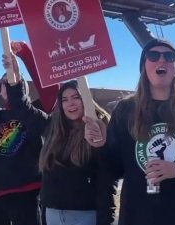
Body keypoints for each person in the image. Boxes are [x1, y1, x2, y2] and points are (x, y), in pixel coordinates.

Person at [99, 39, 175, 225]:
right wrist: (100, 146)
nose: (161, 60)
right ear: (143, 66)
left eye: (169, 56)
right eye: (153, 55)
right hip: (139, 215)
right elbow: (113, 169)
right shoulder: (125, 109)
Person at [0, 52, 48, 225]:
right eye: (6, 82)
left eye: (14, 80)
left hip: (28, 192)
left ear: (23, 88)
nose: (10, 84)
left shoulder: (34, 115)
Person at [38, 80, 116, 225]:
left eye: (76, 97)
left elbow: (107, 180)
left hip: (85, 216)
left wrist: (106, 220)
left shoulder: (101, 129)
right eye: (65, 100)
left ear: (86, 99)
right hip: (52, 214)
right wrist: (14, 82)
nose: (70, 104)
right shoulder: (54, 130)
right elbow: (25, 110)